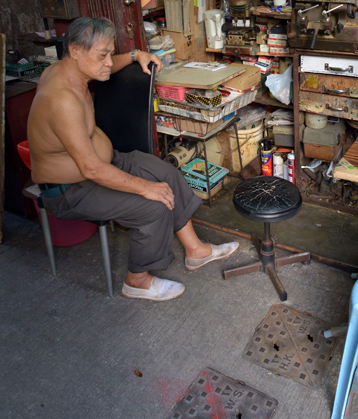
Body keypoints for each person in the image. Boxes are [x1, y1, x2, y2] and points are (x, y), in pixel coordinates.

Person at [27, 16, 238, 302]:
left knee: (166, 174)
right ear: (75, 50)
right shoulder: (61, 98)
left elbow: (108, 64)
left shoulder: (70, 68)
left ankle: (196, 251)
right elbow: (90, 168)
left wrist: (136, 55)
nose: (108, 61)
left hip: (104, 163)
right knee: (152, 206)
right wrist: (144, 187)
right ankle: (137, 281)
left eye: (108, 53)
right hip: (71, 189)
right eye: (102, 55)